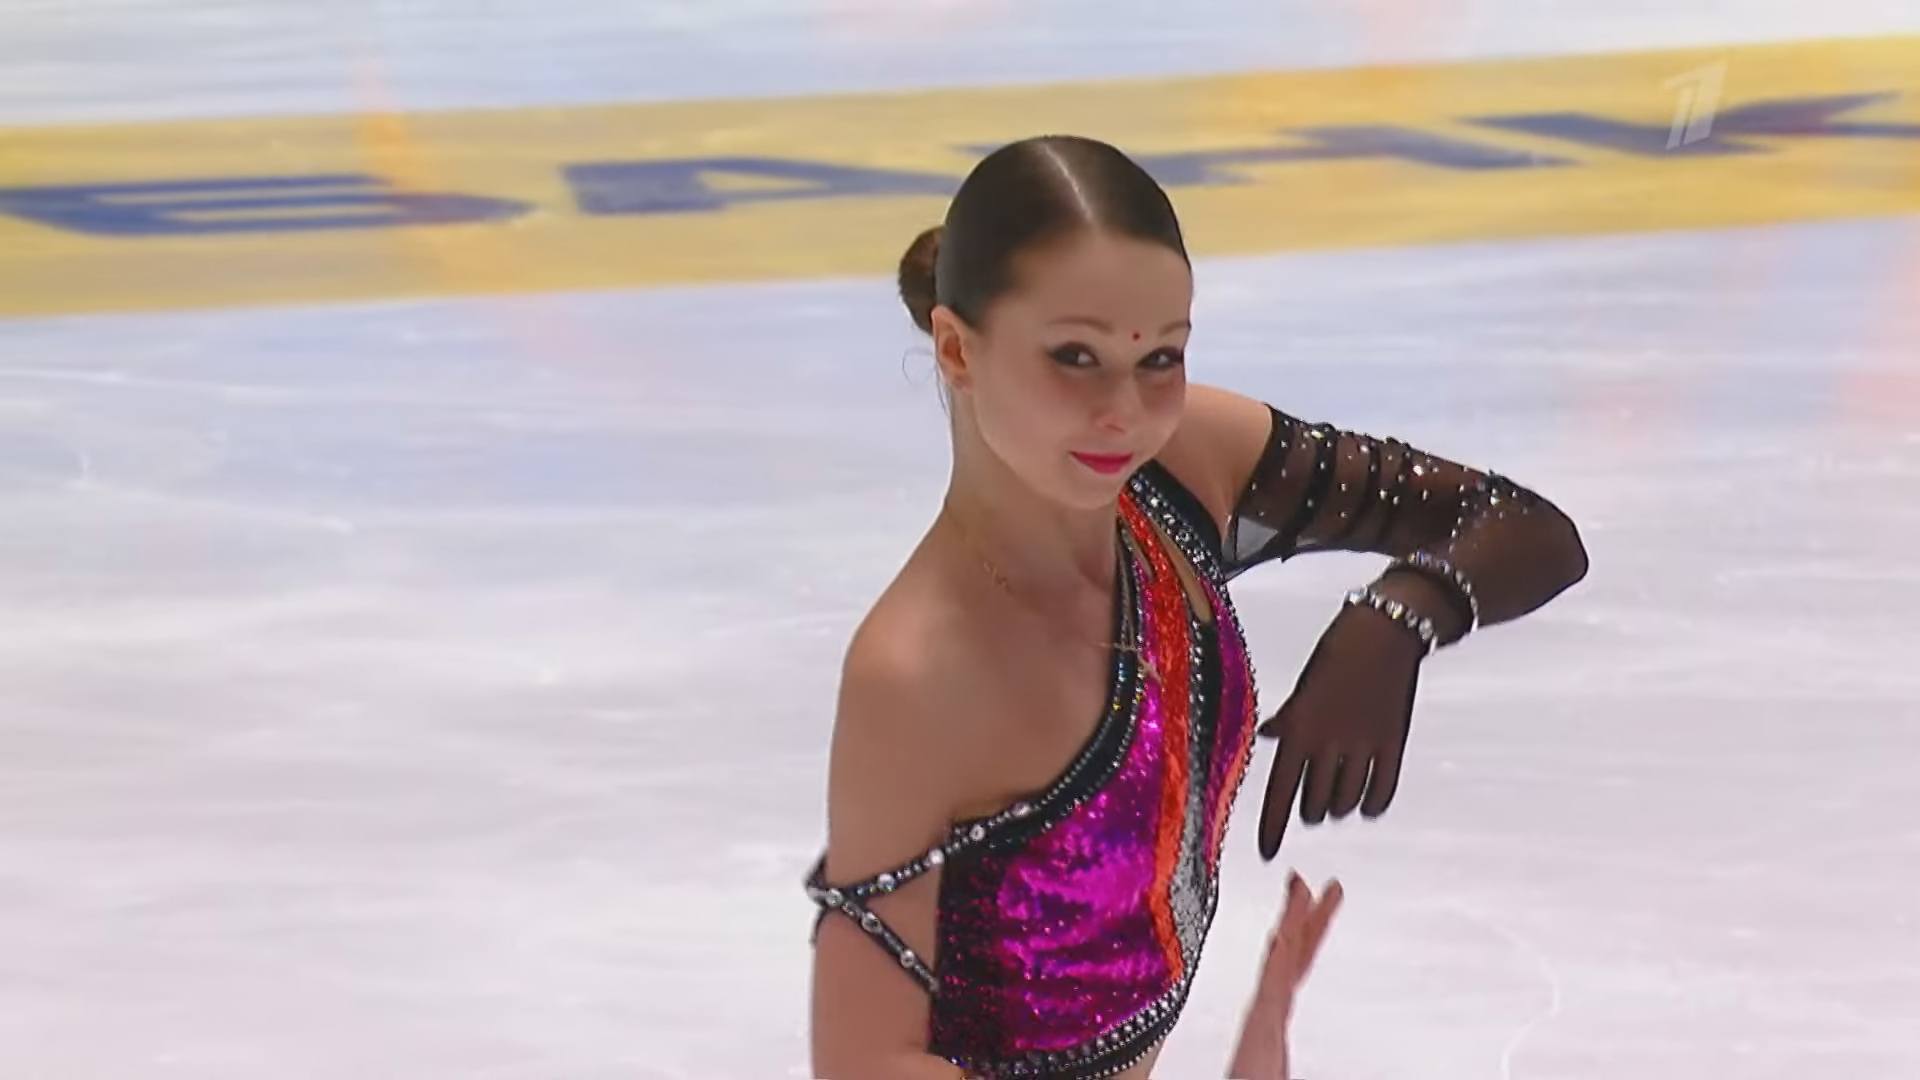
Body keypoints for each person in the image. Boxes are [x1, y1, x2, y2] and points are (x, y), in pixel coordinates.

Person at [803, 134, 1588, 1080]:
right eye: (1075, 356)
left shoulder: (1179, 472)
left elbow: (1525, 528)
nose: (1125, 412)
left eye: (1160, 357)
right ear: (957, 348)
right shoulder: (921, 672)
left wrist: (1397, 619)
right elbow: (865, 1064)